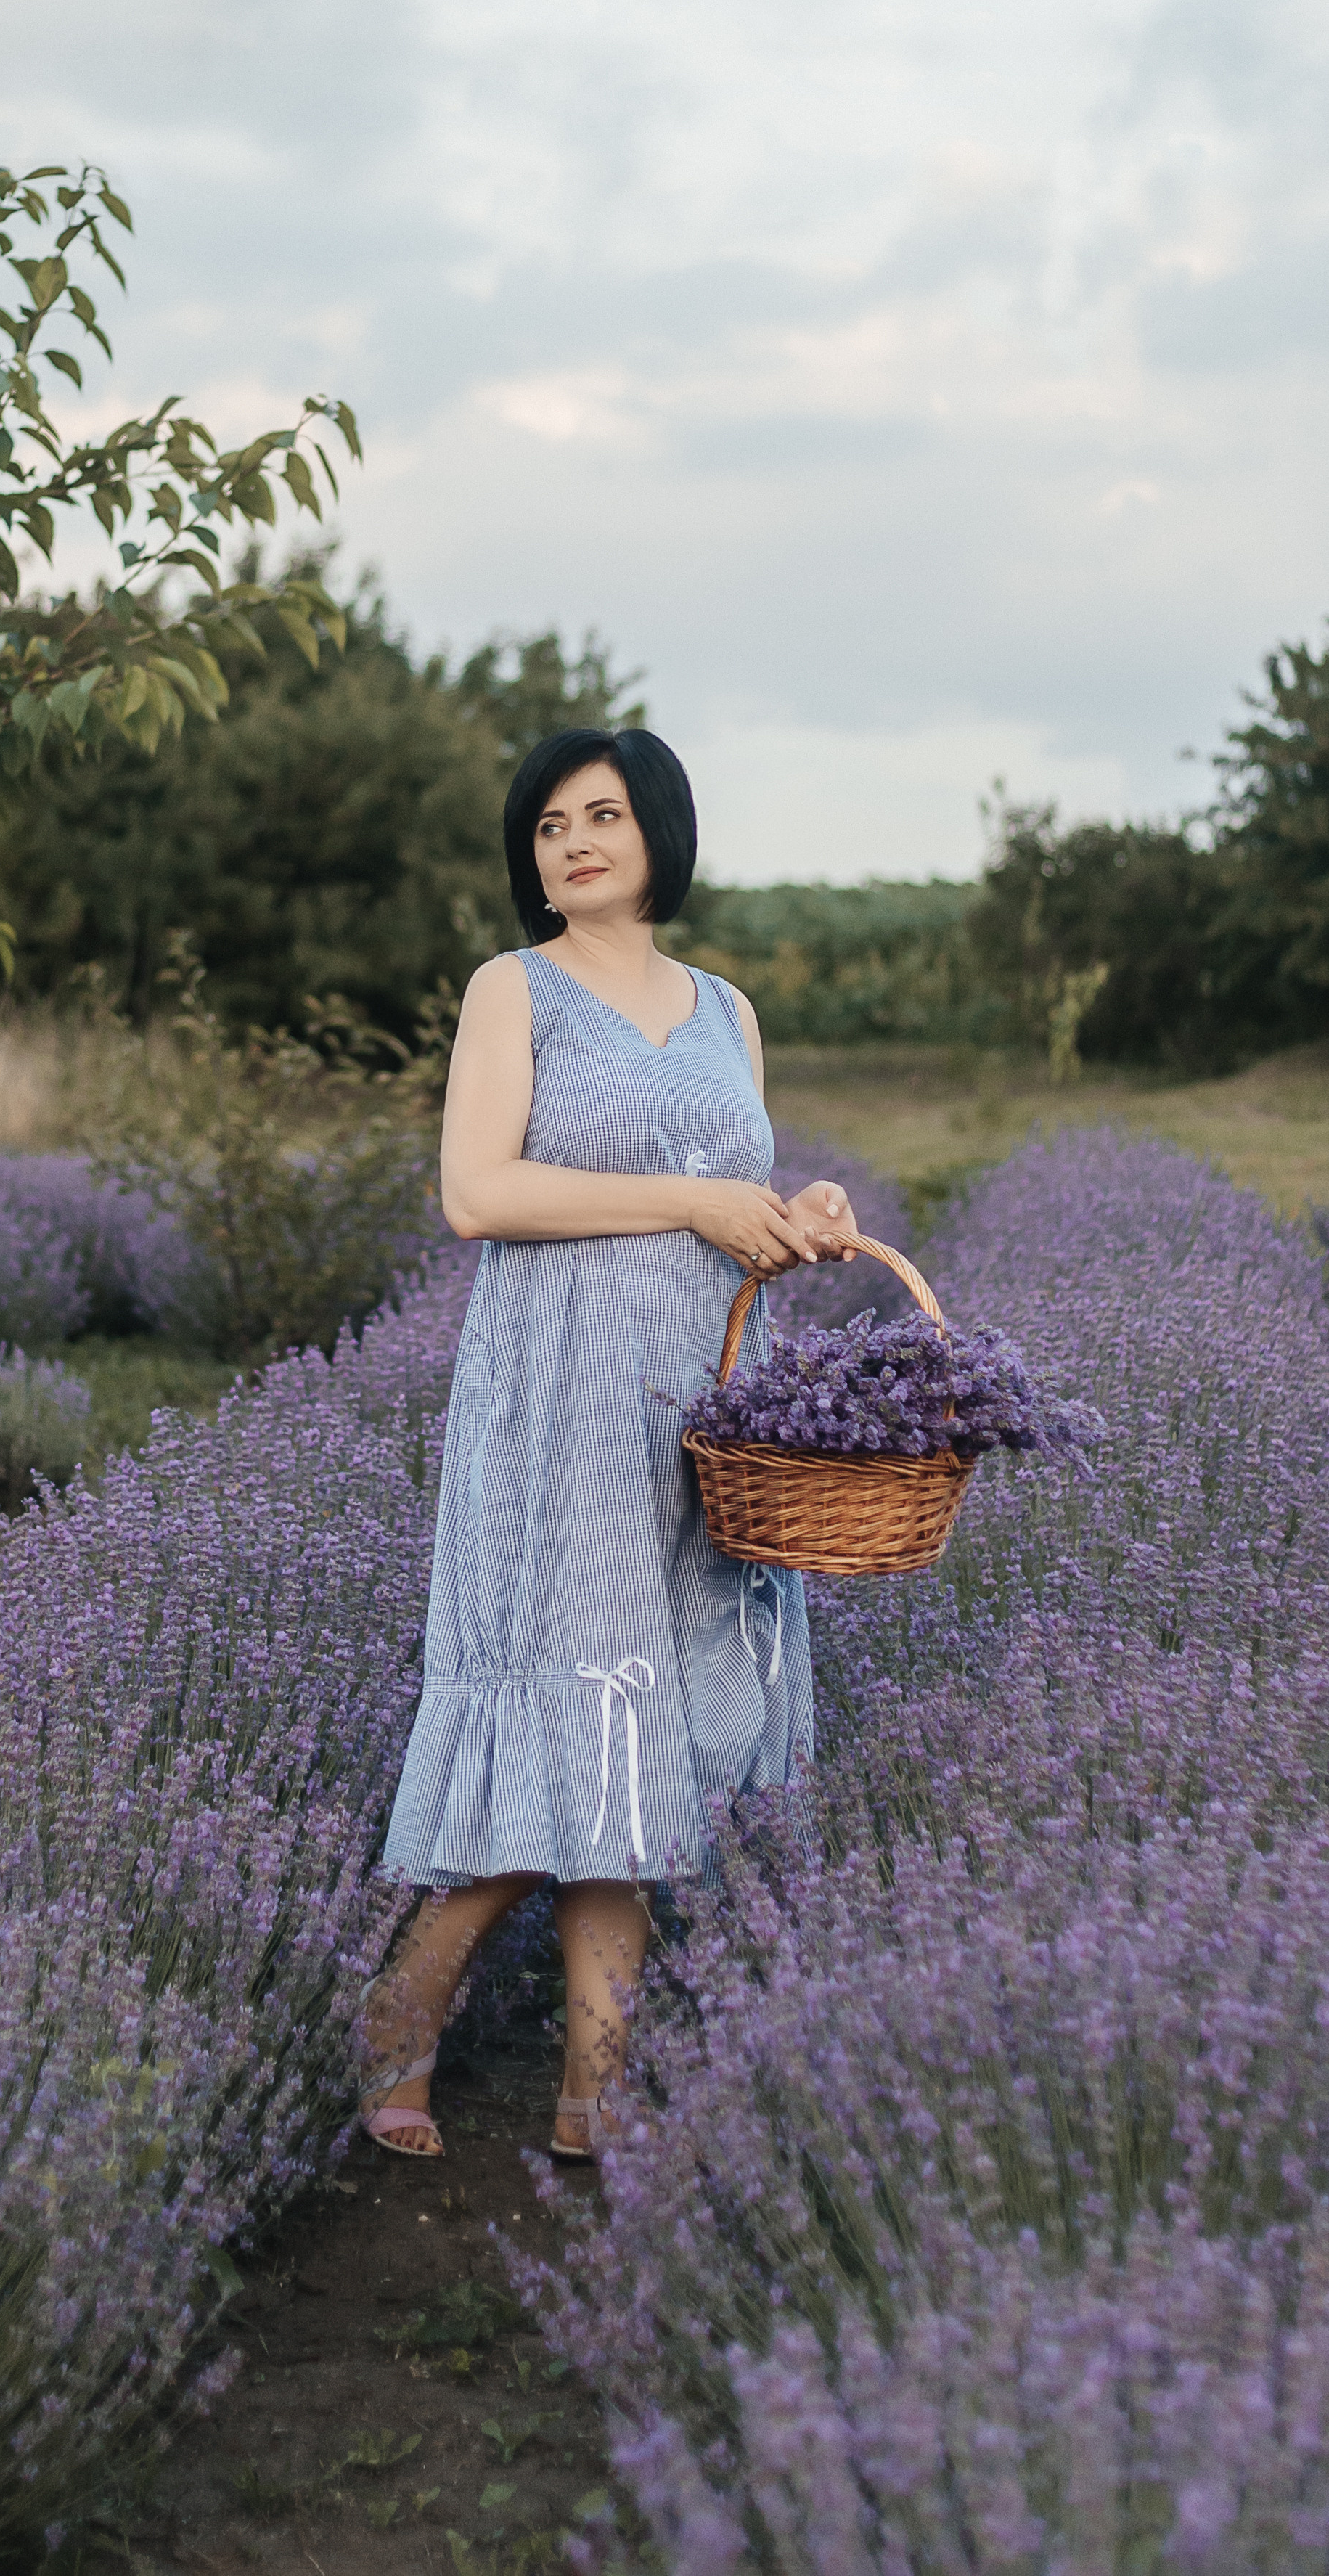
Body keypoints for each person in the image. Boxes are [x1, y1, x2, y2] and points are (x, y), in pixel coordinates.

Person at [358, 727, 859, 2161]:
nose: (573, 843)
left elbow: (736, 1193)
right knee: (580, 1709)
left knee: (642, 1736)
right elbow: (476, 1193)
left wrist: (792, 1213)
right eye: (549, 827)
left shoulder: (725, 1009)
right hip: (562, 1393)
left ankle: (593, 2088)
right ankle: (408, 2016)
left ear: (659, 837)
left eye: (605, 817)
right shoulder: (513, 992)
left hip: (700, 1396)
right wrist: (692, 1207)